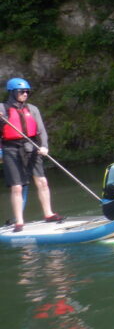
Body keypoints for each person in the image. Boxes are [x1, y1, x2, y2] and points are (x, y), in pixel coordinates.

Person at [1, 77, 63, 232]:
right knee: (17, 187)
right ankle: (19, 222)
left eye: (27, 91)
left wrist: (44, 146)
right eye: (22, 91)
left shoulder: (32, 109)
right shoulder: (2, 109)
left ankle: (48, 214)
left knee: (42, 181)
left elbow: (41, 130)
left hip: (32, 147)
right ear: (12, 92)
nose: (25, 94)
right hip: (11, 150)